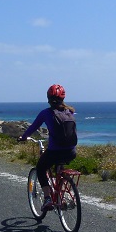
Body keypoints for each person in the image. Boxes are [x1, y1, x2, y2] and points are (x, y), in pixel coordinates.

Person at [18, 84, 78, 212]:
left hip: (54, 151)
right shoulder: (69, 111)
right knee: (59, 169)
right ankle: (62, 195)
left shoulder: (45, 113)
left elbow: (33, 127)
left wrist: (23, 137)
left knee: (40, 168)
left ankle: (48, 199)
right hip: (71, 151)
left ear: (48, 98)